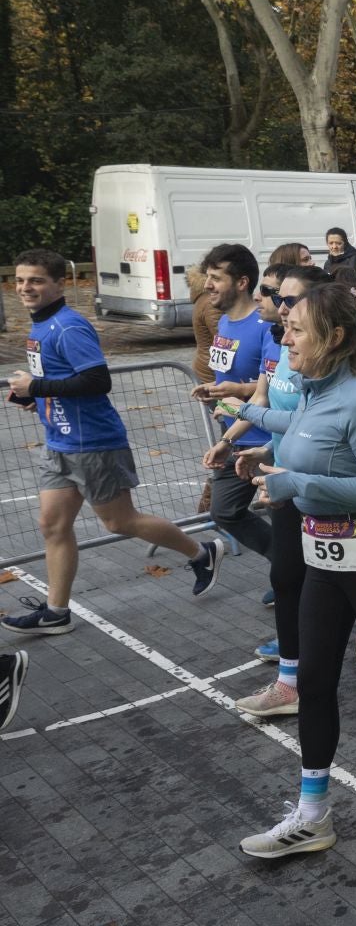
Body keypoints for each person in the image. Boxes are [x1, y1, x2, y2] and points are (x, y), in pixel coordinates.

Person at [227, 282, 356, 855]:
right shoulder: (314, 395)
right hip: (324, 563)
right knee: (313, 683)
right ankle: (313, 814)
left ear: (334, 337)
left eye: (296, 329)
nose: (283, 335)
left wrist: (297, 483)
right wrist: (265, 455)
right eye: (285, 325)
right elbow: (306, 440)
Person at [3, 250, 222, 636]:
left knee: (120, 521)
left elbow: (96, 381)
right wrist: (34, 398)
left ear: (57, 284)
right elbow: (62, 379)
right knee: (52, 526)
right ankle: (57, 612)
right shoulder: (40, 326)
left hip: (93, 443)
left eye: (35, 280)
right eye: (20, 280)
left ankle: (201, 553)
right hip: (59, 442)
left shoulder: (68, 327)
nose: (25, 288)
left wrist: (36, 386)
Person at [218, 262, 307, 694]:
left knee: (350, 597)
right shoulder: (281, 346)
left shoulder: (331, 370)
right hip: (283, 479)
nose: (265, 300)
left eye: (280, 295)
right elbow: (271, 403)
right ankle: (291, 678)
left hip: (316, 493)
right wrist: (263, 448)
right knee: (288, 578)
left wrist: (240, 411)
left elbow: (313, 425)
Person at [189, 243, 277, 558]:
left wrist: (236, 393)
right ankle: (283, 562)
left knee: (286, 519)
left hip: (267, 441)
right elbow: (235, 377)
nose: (207, 285)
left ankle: (289, 578)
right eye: (207, 277)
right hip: (235, 440)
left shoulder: (266, 325)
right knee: (223, 510)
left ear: (241, 283)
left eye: (216, 278)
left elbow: (271, 386)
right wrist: (217, 390)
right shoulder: (225, 322)